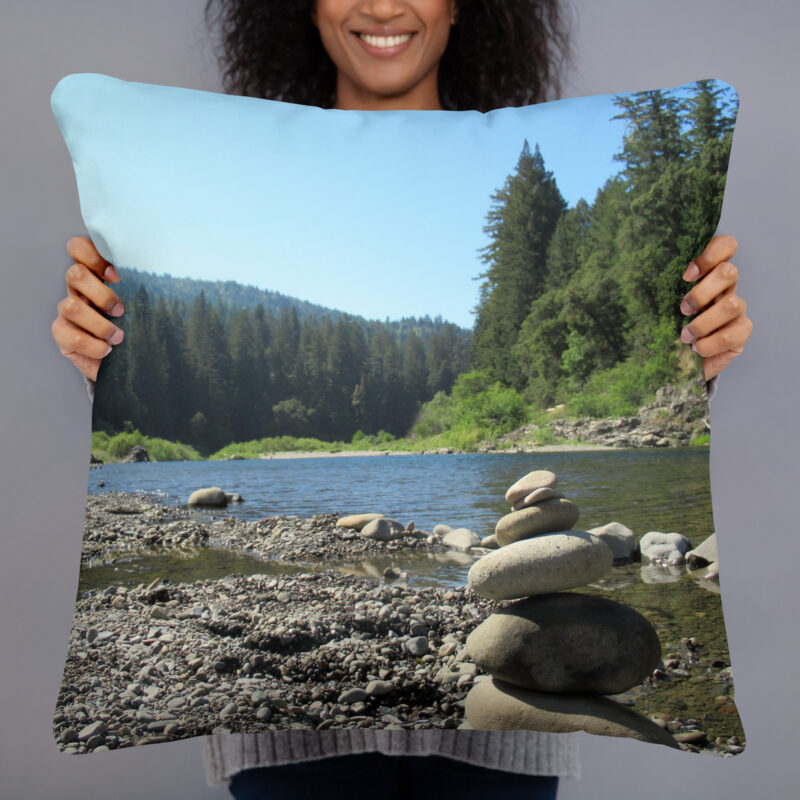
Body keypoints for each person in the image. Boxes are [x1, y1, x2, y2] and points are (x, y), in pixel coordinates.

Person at [49, 2, 753, 797]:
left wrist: (713, 356)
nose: (383, 4)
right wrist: (91, 361)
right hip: (288, 752)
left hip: (505, 747)